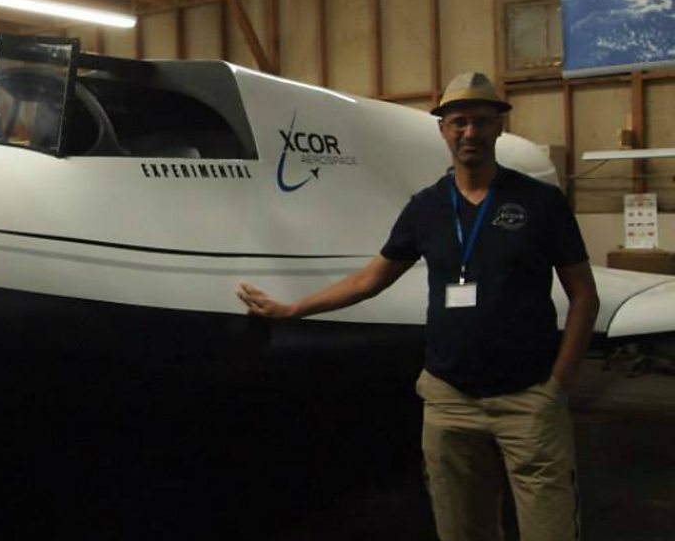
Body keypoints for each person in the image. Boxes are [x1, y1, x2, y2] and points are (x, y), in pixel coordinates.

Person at [237, 71, 599, 541]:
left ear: (498, 126)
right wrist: (291, 310)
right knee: (461, 531)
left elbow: (584, 295)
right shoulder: (426, 208)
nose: (470, 132)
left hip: (528, 399)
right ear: (443, 130)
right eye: (459, 122)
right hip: (449, 401)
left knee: (550, 530)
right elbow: (369, 280)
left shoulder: (541, 202)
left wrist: (557, 385)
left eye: (481, 121)